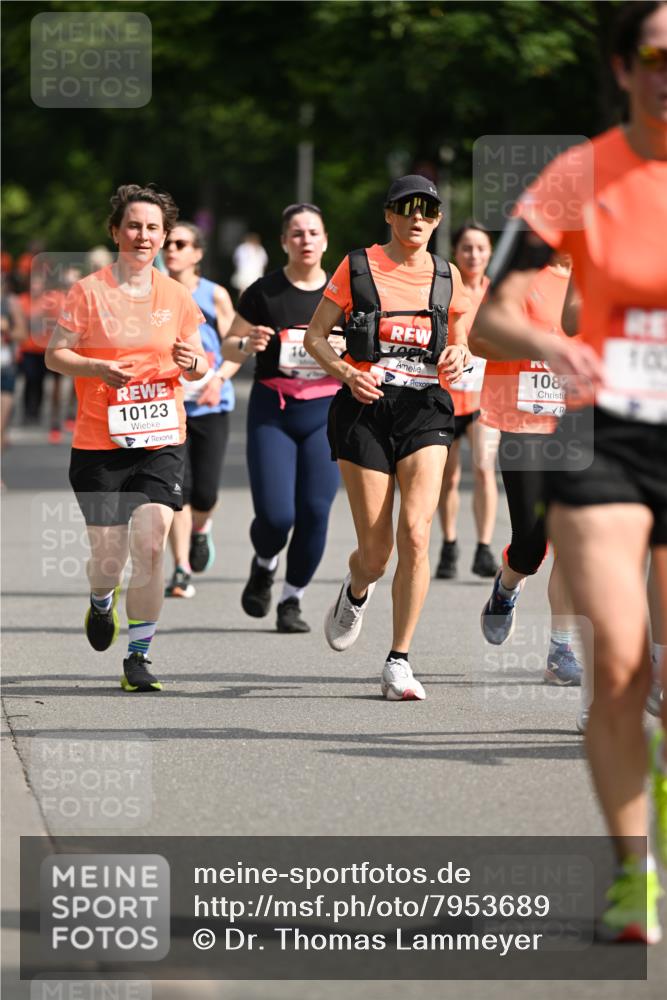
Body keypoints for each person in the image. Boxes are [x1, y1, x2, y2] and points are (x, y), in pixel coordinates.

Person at [469, 0, 667, 943]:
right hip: (605, 436)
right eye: (656, 54)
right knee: (620, 664)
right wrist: (554, 348)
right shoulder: (575, 176)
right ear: (625, 67)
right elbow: (488, 318)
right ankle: (635, 873)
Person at [305, 175, 471, 700]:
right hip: (364, 409)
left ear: (438, 219)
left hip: (426, 410)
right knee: (376, 554)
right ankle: (357, 590)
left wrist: (460, 354)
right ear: (389, 215)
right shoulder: (358, 266)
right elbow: (315, 336)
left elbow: (462, 340)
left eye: (428, 210)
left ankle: (399, 660)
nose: (417, 218)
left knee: (417, 535)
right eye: (407, 209)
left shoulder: (448, 276)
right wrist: (347, 372)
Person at [45, 183, 208, 692]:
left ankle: (138, 658)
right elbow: (55, 354)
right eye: (134, 226)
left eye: (153, 228)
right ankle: (100, 600)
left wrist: (193, 363)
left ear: (164, 237)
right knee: (109, 558)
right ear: (116, 231)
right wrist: (95, 366)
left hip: (161, 436)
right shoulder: (88, 292)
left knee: (152, 543)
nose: (143, 236)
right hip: (100, 443)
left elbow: (199, 361)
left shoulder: (177, 295)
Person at [223, 203, 341, 633]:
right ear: (283, 243)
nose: (305, 240)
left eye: (313, 232)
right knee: (276, 516)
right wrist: (246, 342)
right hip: (274, 409)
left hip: (326, 413)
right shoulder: (263, 292)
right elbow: (228, 346)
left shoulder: (344, 295)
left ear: (325, 240)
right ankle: (263, 563)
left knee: (315, 511)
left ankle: (292, 599)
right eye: (296, 233)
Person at [478, 257, 583, 689]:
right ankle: (508, 583)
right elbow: (480, 339)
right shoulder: (523, 274)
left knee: (573, 540)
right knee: (531, 543)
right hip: (525, 423)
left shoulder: (602, 276)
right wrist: (540, 346)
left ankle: (561, 649)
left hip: (581, 426)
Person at [162, 222, 239, 598]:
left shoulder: (215, 295)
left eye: (180, 243)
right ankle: (180, 568)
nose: (171, 249)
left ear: (197, 253)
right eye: (168, 243)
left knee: (205, 493)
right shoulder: (152, 292)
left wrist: (218, 380)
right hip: (167, 405)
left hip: (210, 404)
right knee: (179, 489)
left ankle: (201, 529)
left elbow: (236, 347)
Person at [435, 222, 500, 579]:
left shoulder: (499, 294)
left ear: (490, 253)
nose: (474, 255)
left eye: (481, 248)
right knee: (448, 477)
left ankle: (484, 548)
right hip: (446, 395)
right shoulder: (445, 291)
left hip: (484, 399)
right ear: (456, 253)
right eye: (467, 248)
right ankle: (448, 544)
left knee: (484, 469)